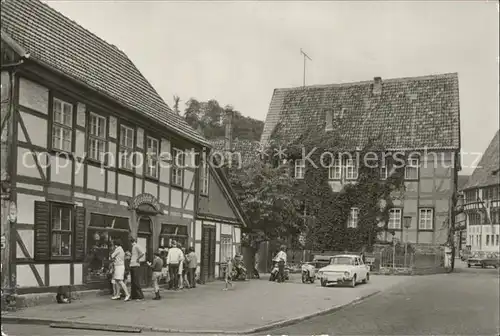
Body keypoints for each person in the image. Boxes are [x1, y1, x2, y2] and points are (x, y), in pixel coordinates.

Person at [129, 236, 145, 301]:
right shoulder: (134, 246)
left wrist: (138, 259)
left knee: (136, 281)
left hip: (135, 265)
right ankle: (134, 296)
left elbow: (142, 252)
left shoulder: (136, 246)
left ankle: (140, 296)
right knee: (133, 281)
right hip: (132, 265)